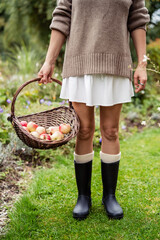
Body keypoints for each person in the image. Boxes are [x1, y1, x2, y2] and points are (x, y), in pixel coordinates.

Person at [38, 0, 150, 220]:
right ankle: (83, 197)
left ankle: (110, 196)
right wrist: (49, 61)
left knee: (111, 131)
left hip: (116, 63)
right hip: (79, 63)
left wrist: (142, 64)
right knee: (85, 130)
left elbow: (138, 19)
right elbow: (62, 16)